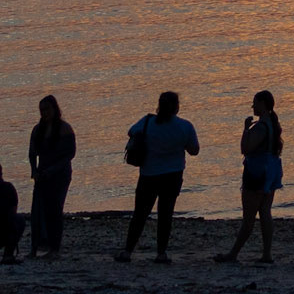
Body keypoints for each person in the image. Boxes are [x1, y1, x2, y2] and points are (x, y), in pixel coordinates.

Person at [115, 90, 200, 264]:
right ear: (176, 107)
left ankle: (127, 251)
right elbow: (194, 150)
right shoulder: (185, 126)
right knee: (165, 214)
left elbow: (131, 132)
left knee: (140, 214)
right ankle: (161, 253)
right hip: (173, 175)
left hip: (149, 174)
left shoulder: (147, 122)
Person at [215, 90, 284, 265]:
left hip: (256, 174)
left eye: (255, 102)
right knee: (265, 212)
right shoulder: (272, 124)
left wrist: (245, 129)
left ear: (263, 104)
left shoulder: (261, 127)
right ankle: (266, 254)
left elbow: (245, 148)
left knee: (249, 218)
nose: (252, 106)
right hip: (270, 172)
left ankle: (233, 254)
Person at [27, 93, 76, 258]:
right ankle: (34, 248)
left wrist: (53, 170)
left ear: (55, 109)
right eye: (42, 110)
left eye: (47, 109)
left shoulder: (65, 128)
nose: (44, 113)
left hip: (60, 176)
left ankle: (54, 249)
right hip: (42, 175)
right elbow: (32, 153)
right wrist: (34, 170)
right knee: (37, 210)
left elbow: (70, 154)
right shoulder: (37, 130)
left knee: (55, 210)